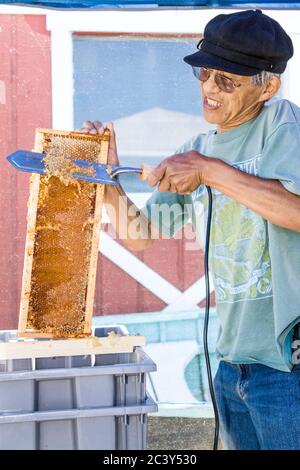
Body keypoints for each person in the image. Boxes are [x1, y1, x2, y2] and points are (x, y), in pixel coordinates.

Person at [78, 9, 300, 450]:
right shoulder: (196, 150)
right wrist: (108, 182)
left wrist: (208, 170)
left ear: (268, 86)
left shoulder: (283, 124)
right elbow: (140, 233)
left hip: (287, 367)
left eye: (228, 80)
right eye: (205, 73)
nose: (209, 89)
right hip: (232, 362)